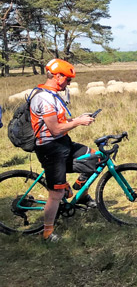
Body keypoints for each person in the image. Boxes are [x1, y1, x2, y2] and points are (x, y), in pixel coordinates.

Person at [30, 59, 99, 242]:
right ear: (58, 76)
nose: (69, 83)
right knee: (56, 194)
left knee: (96, 158)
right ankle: (47, 232)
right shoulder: (43, 98)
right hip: (50, 148)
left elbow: (62, 124)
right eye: (68, 79)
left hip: (63, 143)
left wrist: (77, 118)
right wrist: (78, 122)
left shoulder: (53, 95)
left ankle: (80, 194)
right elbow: (55, 129)